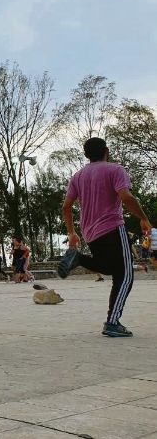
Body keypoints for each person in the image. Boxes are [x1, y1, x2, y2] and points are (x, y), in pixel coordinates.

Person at [58, 137, 153, 337]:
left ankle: (79, 258)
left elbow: (66, 207)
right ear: (106, 151)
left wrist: (72, 232)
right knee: (125, 274)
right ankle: (112, 321)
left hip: (90, 232)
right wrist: (143, 218)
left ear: (87, 155)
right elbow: (126, 197)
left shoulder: (78, 176)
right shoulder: (114, 170)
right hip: (112, 227)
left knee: (110, 268)